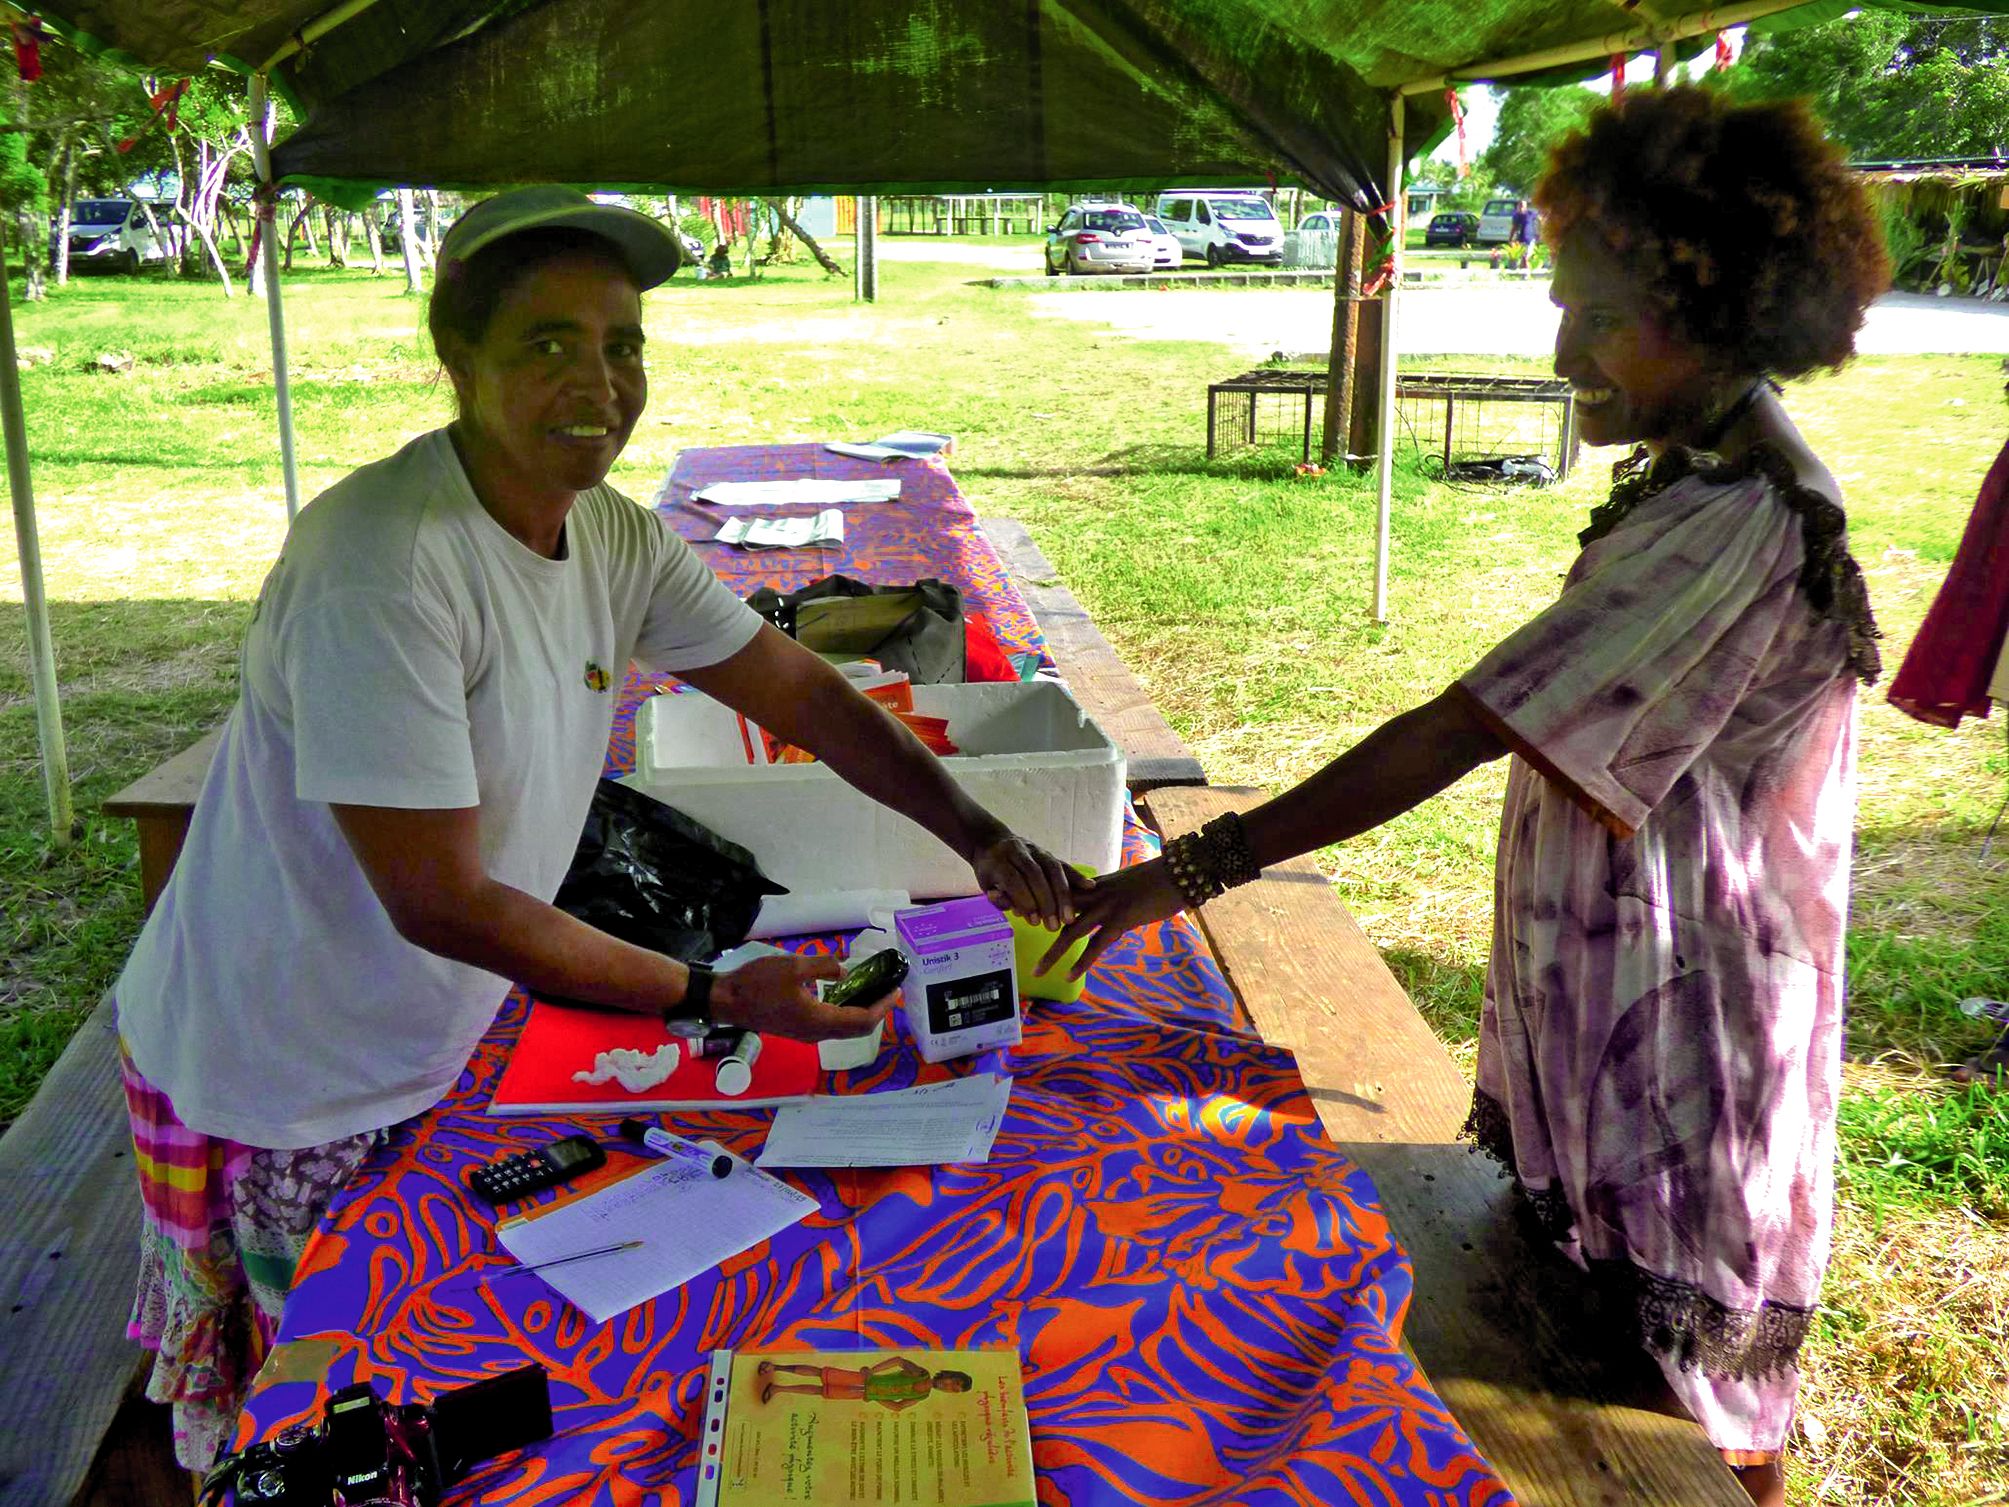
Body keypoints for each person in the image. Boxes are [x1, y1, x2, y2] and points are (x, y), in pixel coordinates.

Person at [113, 185, 1083, 1470]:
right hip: (292, 1064)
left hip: (428, 1031)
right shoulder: (386, 564)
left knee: (441, 1380)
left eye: (622, 342)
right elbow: (441, 900)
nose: (601, 379)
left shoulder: (609, 535)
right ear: (456, 361)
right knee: (326, 1423)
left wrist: (973, 827)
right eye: (547, 342)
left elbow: (796, 690)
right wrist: (718, 994)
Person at [1043, 87, 1887, 1506]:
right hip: (1619, 983)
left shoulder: (1739, 514)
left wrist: (1178, 876)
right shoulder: (1705, 463)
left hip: (1681, 1027)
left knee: (1682, 1391)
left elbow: (1458, 726)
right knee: (1584, 1327)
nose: (1564, 353)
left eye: (1599, 317)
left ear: (1721, 306)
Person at [755, 1356, 972, 1410]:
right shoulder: (922, 1374)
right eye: (953, 1382)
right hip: (863, 1379)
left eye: (954, 1390)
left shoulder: (922, 1396)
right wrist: (872, 1371)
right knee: (822, 1374)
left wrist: (876, 1397)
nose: (949, 1387)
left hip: (861, 1393)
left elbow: (898, 1406)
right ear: (949, 1375)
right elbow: (899, 1361)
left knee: (821, 1391)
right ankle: (776, 1368)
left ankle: (778, 1388)